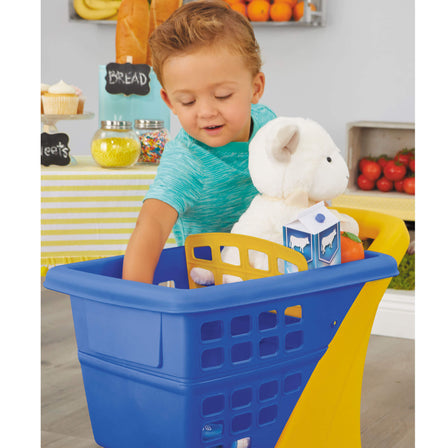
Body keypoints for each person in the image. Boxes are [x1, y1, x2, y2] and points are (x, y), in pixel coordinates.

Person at [122, 0, 276, 284]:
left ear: (255, 88)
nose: (206, 112)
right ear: (170, 101)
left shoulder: (268, 125)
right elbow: (152, 225)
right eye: (188, 101)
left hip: (275, 274)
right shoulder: (186, 162)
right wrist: (135, 300)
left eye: (222, 95)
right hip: (210, 287)